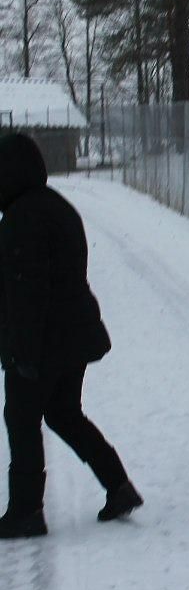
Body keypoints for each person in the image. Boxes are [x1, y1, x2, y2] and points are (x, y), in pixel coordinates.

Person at [0, 133, 142, 539]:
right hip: (73, 335)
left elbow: (29, 291)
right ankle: (118, 485)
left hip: (42, 341)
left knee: (22, 420)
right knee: (63, 413)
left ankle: (26, 512)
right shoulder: (55, 206)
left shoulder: (22, 218)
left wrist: (21, 352)